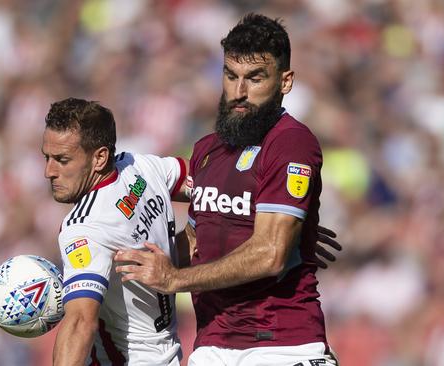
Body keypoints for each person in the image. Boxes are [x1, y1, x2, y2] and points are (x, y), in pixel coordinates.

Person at [115, 13, 338, 366]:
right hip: (212, 344)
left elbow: (270, 254)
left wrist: (175, 279)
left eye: (255, 78)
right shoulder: (207, 148)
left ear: (285, 81)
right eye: (231, 75)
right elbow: (196, 236)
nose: (239, 92)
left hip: (280, 344)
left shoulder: (291, 144)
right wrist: (124, 256)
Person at [43, 97, 188, 366]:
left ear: (99, 157)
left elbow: (80, 322)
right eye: (47, 157)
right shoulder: (141, 167)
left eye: (62, 160)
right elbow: (207, 189)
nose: (48, 172)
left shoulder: (83, 227)